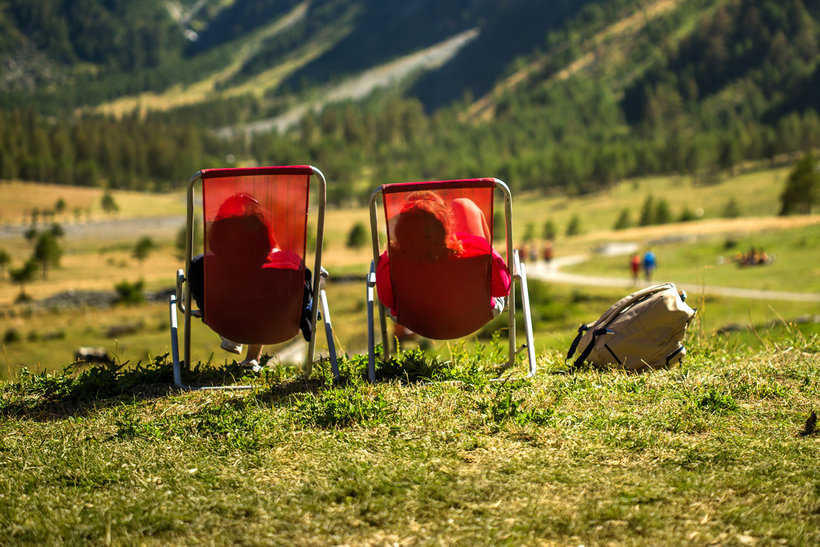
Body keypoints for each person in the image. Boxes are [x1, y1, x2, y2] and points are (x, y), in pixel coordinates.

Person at [188, 193, 313, 369]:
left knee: (249, 292)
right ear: (266, 235)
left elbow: (204, 301)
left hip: (225, 323)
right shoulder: (288, 267)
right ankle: (252, 358)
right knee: (261, 297)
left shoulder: (202, 267)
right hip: (276, 327)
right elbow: (305, 302)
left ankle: (232, 338)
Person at [375, 191, 511, 319]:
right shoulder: (474, 247)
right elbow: (503, 289)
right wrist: (489, 249)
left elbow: (387, 299)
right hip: (475, 316)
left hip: (415, 320)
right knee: (464, 205)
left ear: (403, 227)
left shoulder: (394, 260)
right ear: (446, 223)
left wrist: (388, 255)